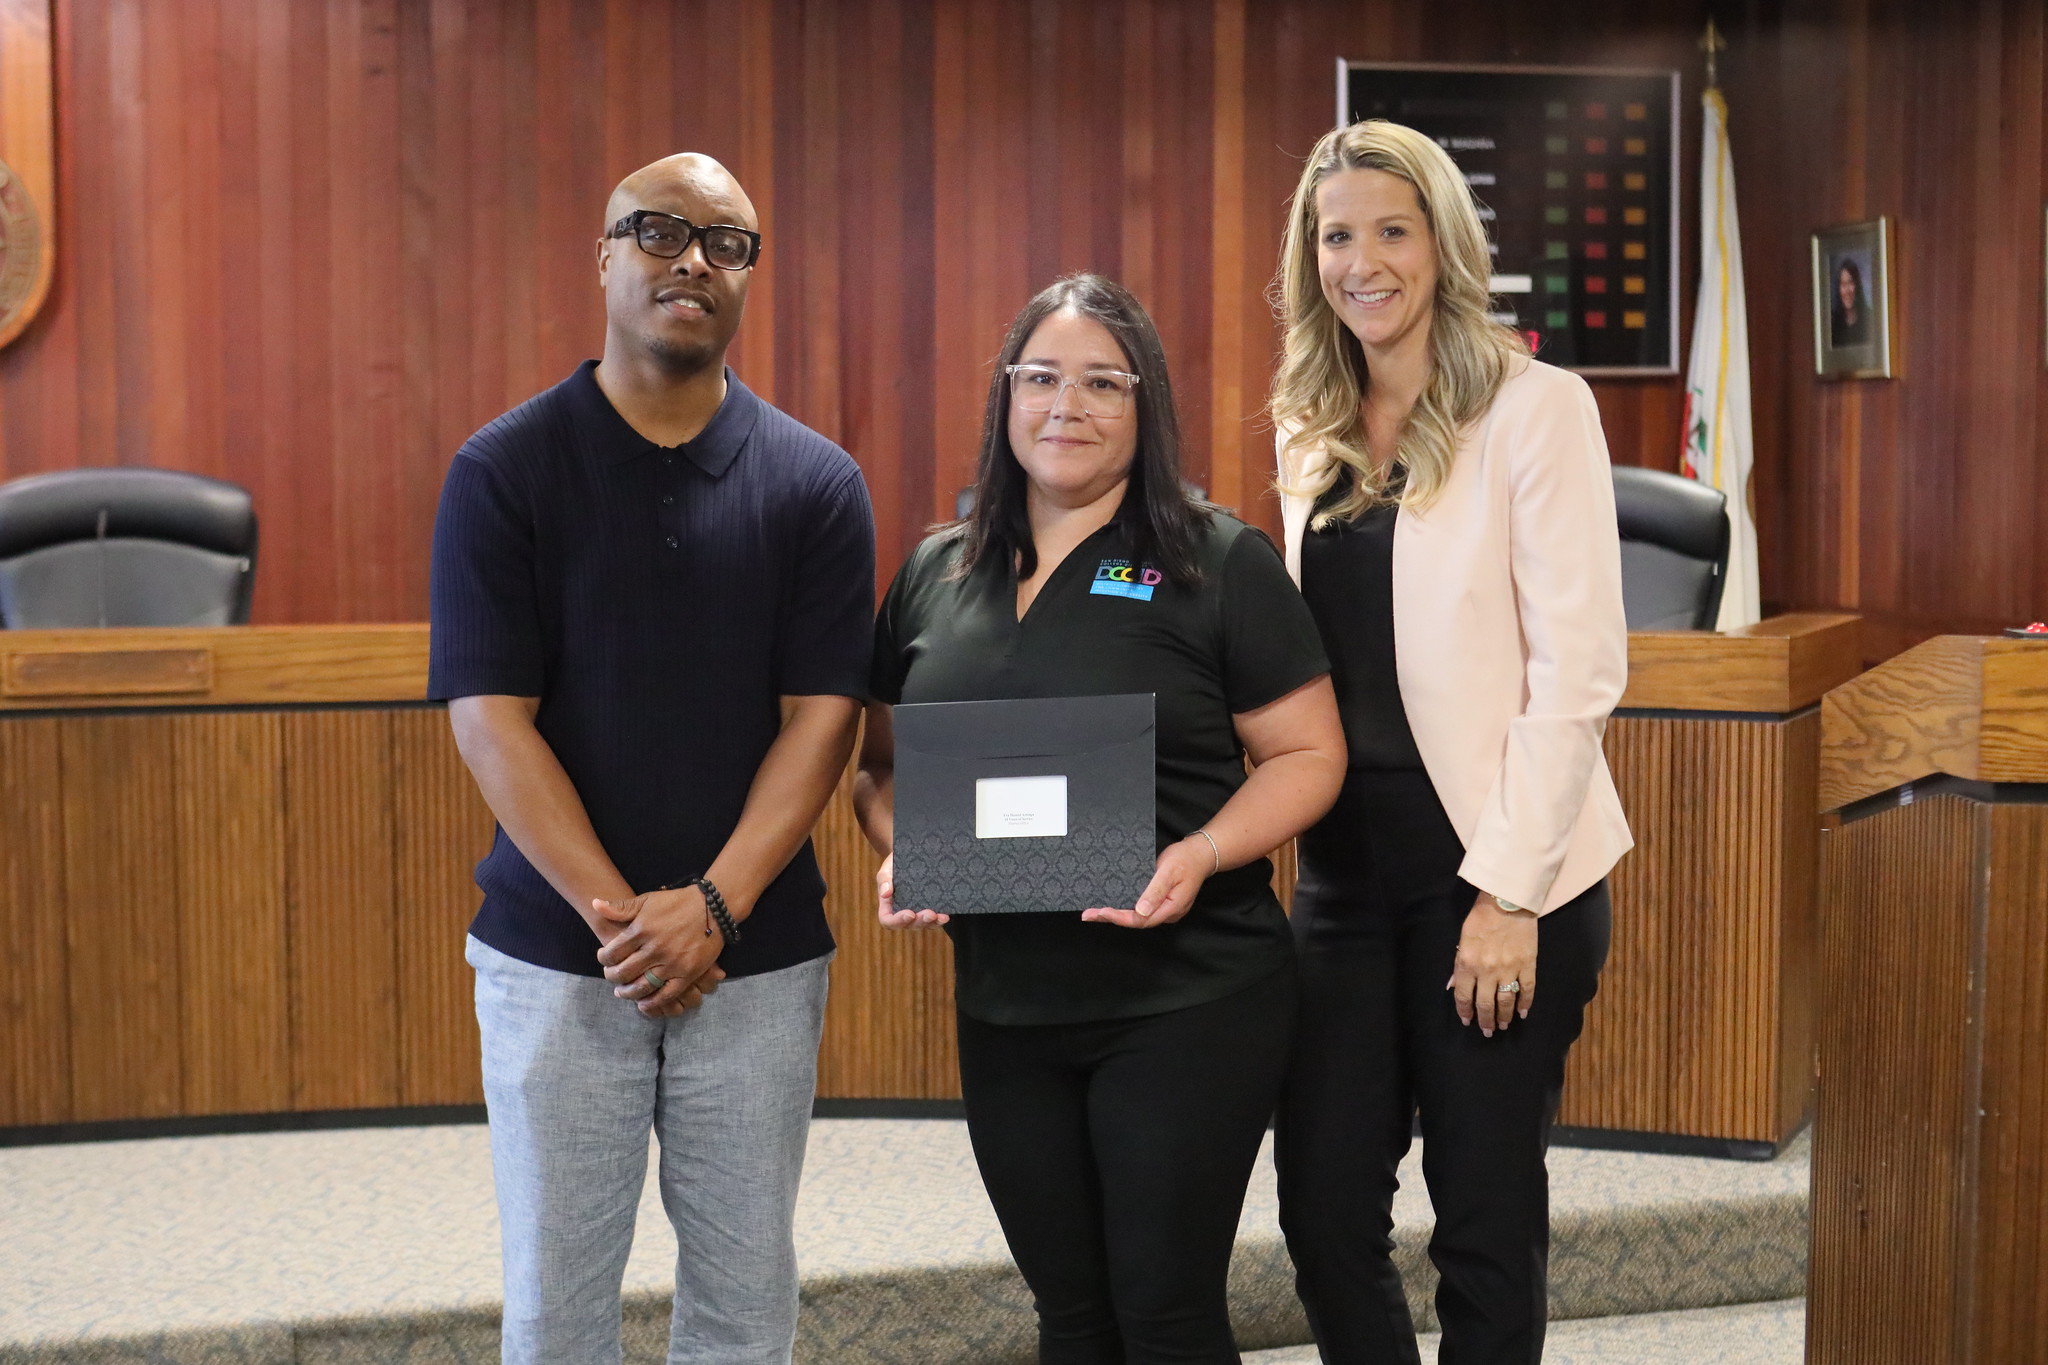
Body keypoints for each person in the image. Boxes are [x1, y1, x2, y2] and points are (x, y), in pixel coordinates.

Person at [428, 153, 875, 1364]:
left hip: (758, 965)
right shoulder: (503, 470)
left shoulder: (816, 484)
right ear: (606, 256)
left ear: (746, 275)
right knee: (556, 1312)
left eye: (725, 243)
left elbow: (823, 720)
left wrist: (717, 909)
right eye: (660, 232)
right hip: (557, 963)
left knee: (743, 1307)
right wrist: (630, 922)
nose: (692, 259)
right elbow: (489, 718)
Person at [854, 273, 1346, 1365]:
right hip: (1006, 1006)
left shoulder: (1217, 560)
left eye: (1099, 383)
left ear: (1144, 405)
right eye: (1039, 377)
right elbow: (877, 771)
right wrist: (904, 854)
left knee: (1164, 1314)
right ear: (1004, 398)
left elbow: (1310, 756)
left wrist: (1200, 850)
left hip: (1187, 996)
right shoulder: (937, 570)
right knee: (1068, 1318)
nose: (1063, 405)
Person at [1267, 120, 1631, 1364]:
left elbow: (1577, 673)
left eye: (1389, 231)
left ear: (1441, 244)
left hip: (1494, 869)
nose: (1359, 261)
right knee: (1319, 1213)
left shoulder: (1537, 410)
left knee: (1479, 1222)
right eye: (1334, 236)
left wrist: (1505, 896)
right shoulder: (1306, 424)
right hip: (1341, 876)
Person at [1830, 257, 1870, 348]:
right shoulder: (1832, 323)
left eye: (1850, 283)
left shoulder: (1869, 319)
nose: (1847, 291)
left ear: (1857, 285)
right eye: (1843, 284)